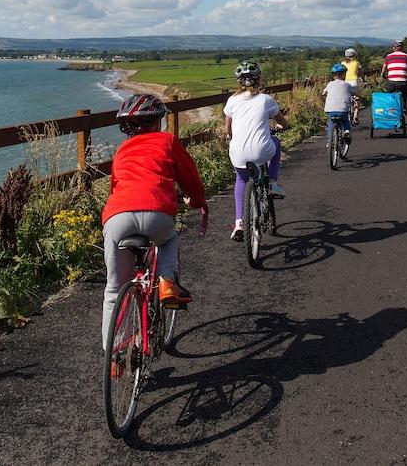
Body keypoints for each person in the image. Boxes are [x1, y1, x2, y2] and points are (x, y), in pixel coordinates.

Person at [101, 93, 208, 349]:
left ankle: (113, 356)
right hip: (157, 213)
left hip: (117, 217)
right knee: (169, 238)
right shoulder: (167, 141)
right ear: (158, 121)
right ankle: (167, 281)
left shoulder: (121, 150)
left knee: (114, 289)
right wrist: (196, 202)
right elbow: (190, 180)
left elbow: (116, 186)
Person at [224, 60, 289, 241]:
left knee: (241, 179)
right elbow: (283, 122)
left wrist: (232, 136)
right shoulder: (266, 100)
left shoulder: (232, 100)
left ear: (238, 82)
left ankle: (239, 223)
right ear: (258, 79)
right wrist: (283, 126)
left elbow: (227, 129)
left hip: (237, 151)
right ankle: (273, 184)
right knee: (275, 141)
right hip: (262, 150)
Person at [381, 39, 407, 117]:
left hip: (391, 82)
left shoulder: (388, 56)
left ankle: (391, 113)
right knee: (404, 94)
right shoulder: (406, 56)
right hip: (402, 81)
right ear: (402, 48)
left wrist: (383, 76)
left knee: (390, 97)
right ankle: (404, 105)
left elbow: (384, 69)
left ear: (394, 48)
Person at [323, 63, 353, 146]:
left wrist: (325, 94)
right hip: (343, 110)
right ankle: (346, 132)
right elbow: (355, 93)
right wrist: (359, 97)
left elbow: (323, 92)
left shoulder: (329, 84)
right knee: (345, 121)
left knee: (331, 123)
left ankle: (329, 140)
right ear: (343, 75)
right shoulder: (347, 84)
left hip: (330, 110)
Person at [340, 48, 362, 124]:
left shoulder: (342, 63)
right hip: (354, 82)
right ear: (354, 55)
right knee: (357, 99)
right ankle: (355, 115)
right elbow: (361, 73)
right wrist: (363, 79)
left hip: (345, 82)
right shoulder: (357, 63)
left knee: (346, 98)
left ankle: (346, 113)